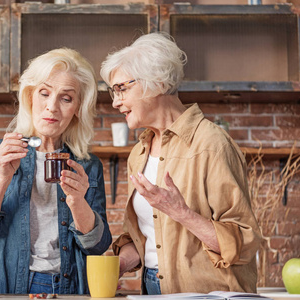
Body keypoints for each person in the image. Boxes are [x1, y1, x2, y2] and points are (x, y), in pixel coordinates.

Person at [100, 32, 261, 295]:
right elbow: (148, 240)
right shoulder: (138, 154)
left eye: (122, 88)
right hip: (153, 289)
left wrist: (180, 212)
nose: (115, 101)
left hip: (208, 294)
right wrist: (118, 264)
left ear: (158, 83)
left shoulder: (211, 144)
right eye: (112, 91)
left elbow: (244, 243)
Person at [0, 48, 112, 294]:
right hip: (9, 289)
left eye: (66, 98)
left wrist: (77, 202)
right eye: (44, 93)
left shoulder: (87, 165)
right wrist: (2, 179)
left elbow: (98, 248)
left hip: (70, 289)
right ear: (30, 96)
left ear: (77, 108)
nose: (51, 107)